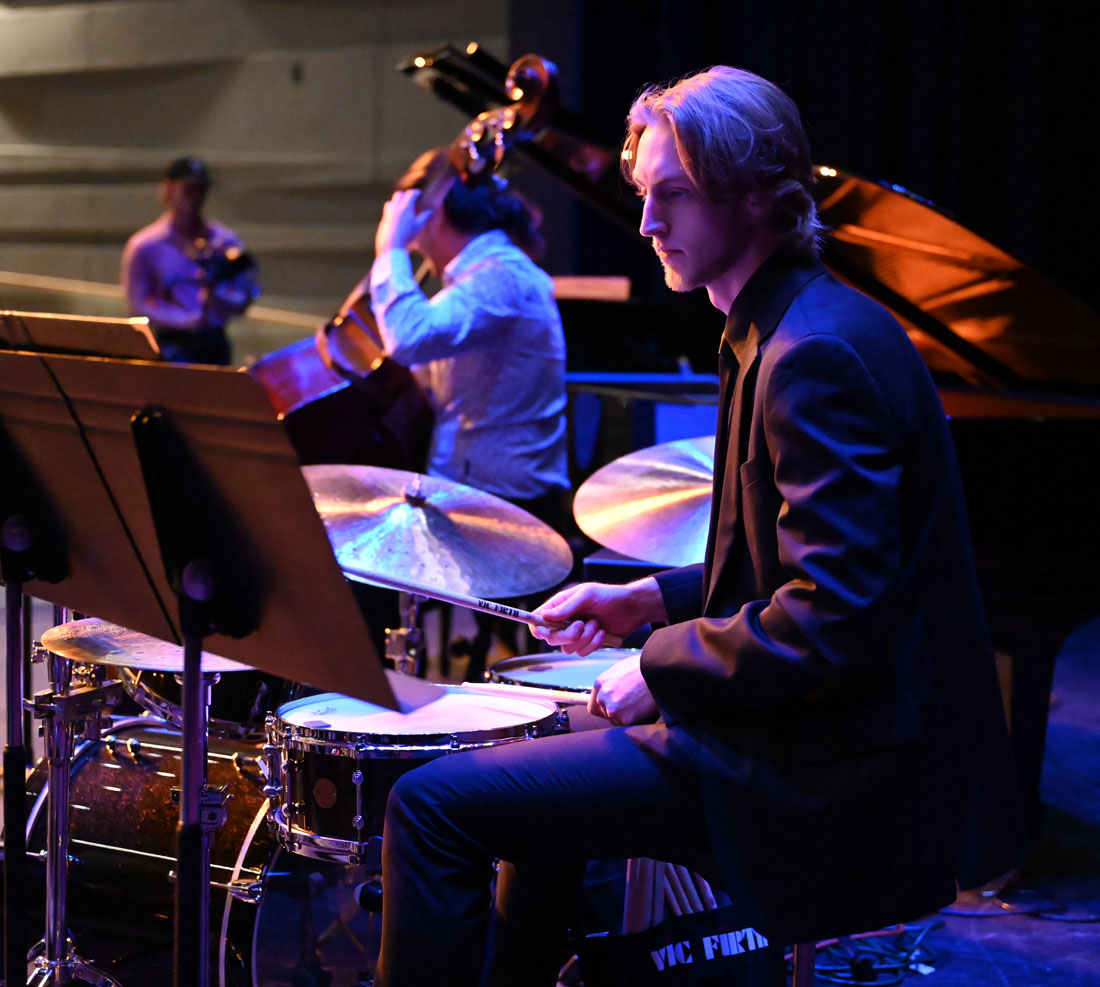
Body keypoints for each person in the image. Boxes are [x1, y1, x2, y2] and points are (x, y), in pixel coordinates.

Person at [372, 66, 1027, 987]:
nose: (646, 225)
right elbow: (784, 569)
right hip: (809, 736)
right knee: (531, 762)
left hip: (823, 770)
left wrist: (655, 667)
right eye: (645, 196)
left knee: (429, 807)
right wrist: (649, 599)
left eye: (672, 196)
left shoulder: (812, 355)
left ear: (760, 197)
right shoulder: (787, 323)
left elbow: (829, 615)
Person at [368, 148, 569, 521]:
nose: (413, 245)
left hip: (504, 508)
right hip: (478, 495)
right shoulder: (477, 281)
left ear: (435, 213)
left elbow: (409, 339)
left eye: (412, 234)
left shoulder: (500, 277)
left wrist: (390, 250)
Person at [121, 157, 260, 365]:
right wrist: (185, 320)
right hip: (169, 345)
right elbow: (137, 306)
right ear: (168, 190)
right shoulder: (146, 245)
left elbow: (245, 291)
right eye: (188, 190)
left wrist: (220, 300)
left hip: (213, 343)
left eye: (200, 190)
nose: (194, 198)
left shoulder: (224, 241)